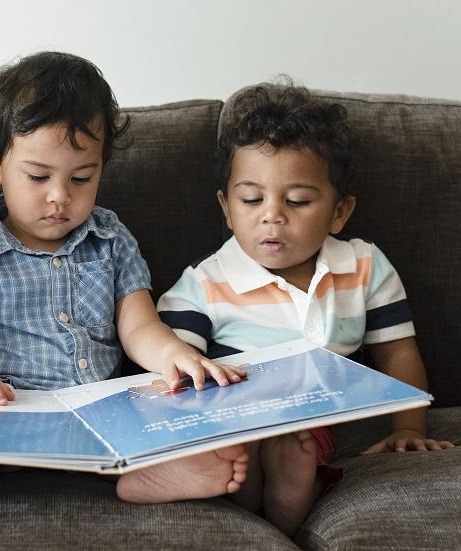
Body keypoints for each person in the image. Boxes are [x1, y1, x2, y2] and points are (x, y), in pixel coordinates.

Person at [0, 51, 249, 516]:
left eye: (82, 177)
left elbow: (138, 326)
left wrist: (174, 357)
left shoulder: (110, 239)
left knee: (167, 408)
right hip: (8, 410)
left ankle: (144, 471)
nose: (60, 197)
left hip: (103, 413)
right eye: (38, 176)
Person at [157, 81, 455, 536]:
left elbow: (398, 353)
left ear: (339, 212)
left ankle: (286, 498)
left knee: (297, 444)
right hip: (237, 413)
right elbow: (173, 365)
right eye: (252, 199)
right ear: (226, 209)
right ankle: (252, 485)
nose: (272, 215)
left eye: (297, 201)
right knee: (240, 443)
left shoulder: (362, 265)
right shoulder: (205, 282)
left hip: (317, 420)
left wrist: (407, 426)